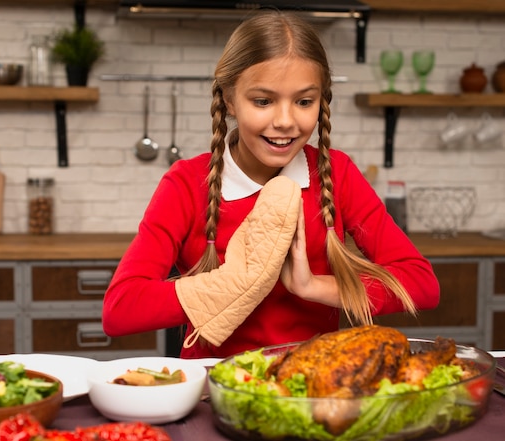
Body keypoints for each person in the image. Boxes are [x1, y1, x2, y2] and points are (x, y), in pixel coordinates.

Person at [102, 11, 440, 359]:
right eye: (263, 101)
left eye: (304, 101)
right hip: (213, 389)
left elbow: (421, 284)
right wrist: (236, 283)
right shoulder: (188, 183)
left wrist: (313, 286)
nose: (284, 121)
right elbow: (120, 309)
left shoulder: (336, 174)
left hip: (309, 386)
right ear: (230, 99)